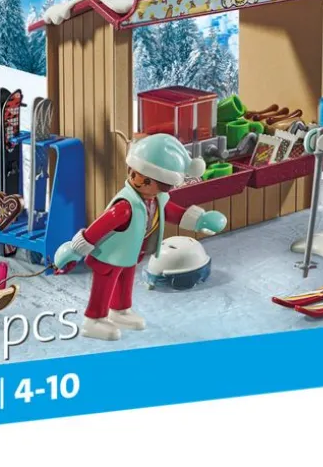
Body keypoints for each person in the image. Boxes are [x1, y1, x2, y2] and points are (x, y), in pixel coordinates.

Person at [54, 134, 226, 342]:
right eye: (133, 173)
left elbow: (173, 213)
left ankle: (120, 310)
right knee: (104, 284)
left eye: (147, 181)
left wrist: (199, 220)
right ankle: (94, 319)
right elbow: (97, 229)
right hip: (108, 255)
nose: (136, 180)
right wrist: (74, 250)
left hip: (130, 252)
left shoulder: (156, 200)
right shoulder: (125, 207)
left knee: (125, 279)